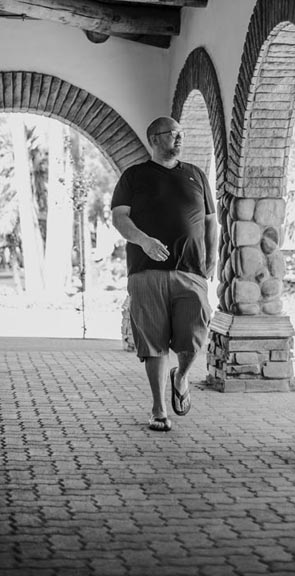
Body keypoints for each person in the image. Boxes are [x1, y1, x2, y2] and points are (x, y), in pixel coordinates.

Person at [111, 116, 218, 432]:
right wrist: (143, 240)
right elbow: (119, 218)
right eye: (174, 134)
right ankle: (159, 410)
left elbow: (212, 222)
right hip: (146, 273)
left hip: (192, 272)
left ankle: (181, 375)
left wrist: (212, 258)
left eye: (182, 133)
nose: (180, 138)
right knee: (154, 343)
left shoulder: (196, 175)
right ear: (154, 139)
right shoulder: (133, 177)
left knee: (195, 335)